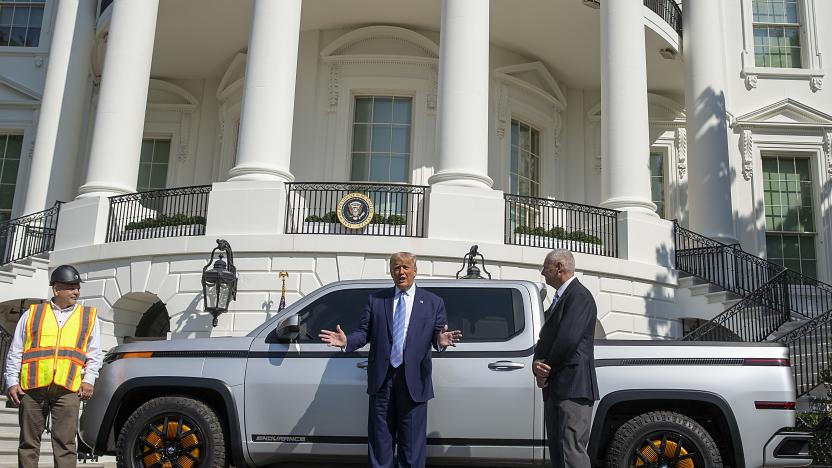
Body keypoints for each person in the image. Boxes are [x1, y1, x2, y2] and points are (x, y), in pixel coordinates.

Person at [319, 252, 461, 468]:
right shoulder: (377, 300)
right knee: (379, 444)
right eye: (396, 268)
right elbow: (364, 332)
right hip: (382, 381)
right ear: (391, 272)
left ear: (415, 270)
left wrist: (440, 341)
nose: (401, 272)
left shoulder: (433, 302)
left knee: (412, 449)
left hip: (414, 382)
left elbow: (436, 336)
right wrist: (347, 341)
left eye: (405, 267)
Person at [4, 265, 102, 468]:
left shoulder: (88, 317)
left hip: (67, 389)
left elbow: (94, 354)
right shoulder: (32, 314)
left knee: (65, 444)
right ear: (57, 289)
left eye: (77, 287)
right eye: (71, 287)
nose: (77, 291)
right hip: (32, 388)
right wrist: (12, 381)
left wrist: (88, 380)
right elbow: (16, 350)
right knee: (28, 444)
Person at [531, 249, 599, 468]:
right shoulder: (562, 298)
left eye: (545, 267)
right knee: (559, 453)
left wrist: (545, 367)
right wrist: (536, 363)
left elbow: (568, 340)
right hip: (558, 387)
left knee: (571, 452)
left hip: (573, 388)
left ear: (559, 267)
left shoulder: (579, 296)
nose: (543, 272)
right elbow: (546, 338)